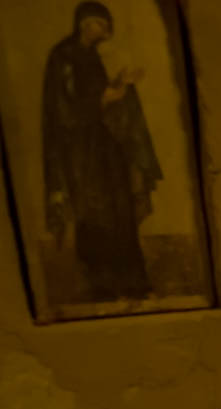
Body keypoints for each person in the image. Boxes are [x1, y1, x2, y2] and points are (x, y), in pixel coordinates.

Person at [42, 1, 162, 302]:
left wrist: (120, 86)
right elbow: (63, 113)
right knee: (95, 216)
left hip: (106, 149)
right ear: (87, 24)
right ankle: (102, 284)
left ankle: (132, 282)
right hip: (82, 155)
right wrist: (103, 100)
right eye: (102, 25)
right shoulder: (64, 57)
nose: (107, 31)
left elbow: (99, 98)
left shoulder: (90, 56)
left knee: (120, 212)